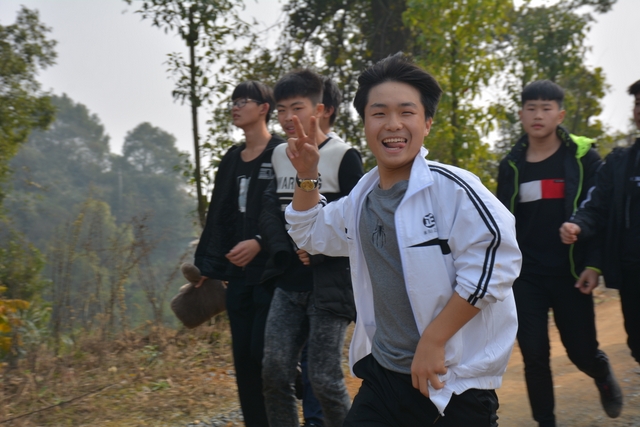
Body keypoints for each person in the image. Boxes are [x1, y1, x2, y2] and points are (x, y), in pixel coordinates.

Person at [284, 53, 521, 426]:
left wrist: (434, 340)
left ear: (427, 123)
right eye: (379, 113)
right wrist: (307, 175)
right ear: (365, 124)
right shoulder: (362, 199)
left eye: (406, 112)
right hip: (385, 376)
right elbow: (310, 233)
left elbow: (496, 264)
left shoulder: (454, 189)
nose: (392, 124)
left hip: (453, 381)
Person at [496, 80, 623, 427]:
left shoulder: (583, 159)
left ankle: (599, 371)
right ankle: (545, 422)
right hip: (526, 276)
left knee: (581, 351)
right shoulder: (511, 165)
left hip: (571, 272)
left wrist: (594, 264)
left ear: (560, 114)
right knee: (534, 355)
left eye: (546, 108)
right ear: (521, 114)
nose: (538, 115)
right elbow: (502, 220)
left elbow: (599, 213)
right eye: (531, 108)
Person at [260, 69, 363, 427]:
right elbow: (272, 212)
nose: (288, 117)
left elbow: (356, 222)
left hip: (330, 285)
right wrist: (286, 248)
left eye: (297, 108)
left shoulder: (344, 156)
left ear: (319, 110)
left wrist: (317, 249)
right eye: (282, 109)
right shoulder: (278, 155)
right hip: (288, 283)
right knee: (274, 371)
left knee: (324, 379)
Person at [193, 81, 284, 427]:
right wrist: (208, 265)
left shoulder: (282, 153)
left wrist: (261, 241)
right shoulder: (231, 159)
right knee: (244, 360)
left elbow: (291, 208)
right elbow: (219, 214)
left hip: (273, 275)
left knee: (264, 356)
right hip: (237, 277)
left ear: (264, 108)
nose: (235, 106)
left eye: (243, 101)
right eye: (233, 101)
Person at [560, 79, 640, 368]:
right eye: (638, 104)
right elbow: (596, 206)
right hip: (633, 274)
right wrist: (577, 225)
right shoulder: (620, 163)